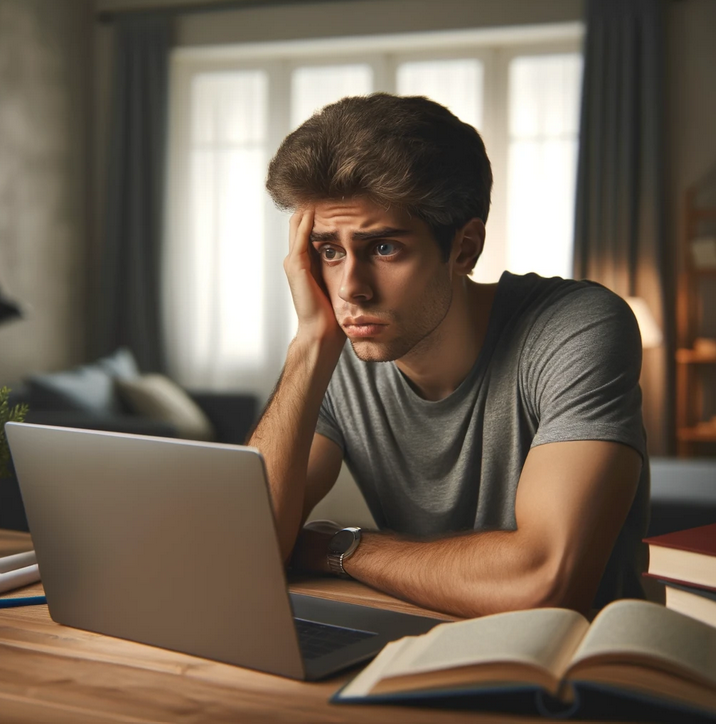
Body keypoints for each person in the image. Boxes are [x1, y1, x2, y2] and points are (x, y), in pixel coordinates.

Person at [249, 93, 648, 618]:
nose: (351, 289)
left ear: (464, 249)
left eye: (384, 248)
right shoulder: (336, 354)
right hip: (422, 647)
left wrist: (341, 548)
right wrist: (308, 346)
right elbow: (244, 550)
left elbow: (545, 582)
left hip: (577, 675)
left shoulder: (575, 326)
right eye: (329, 251)